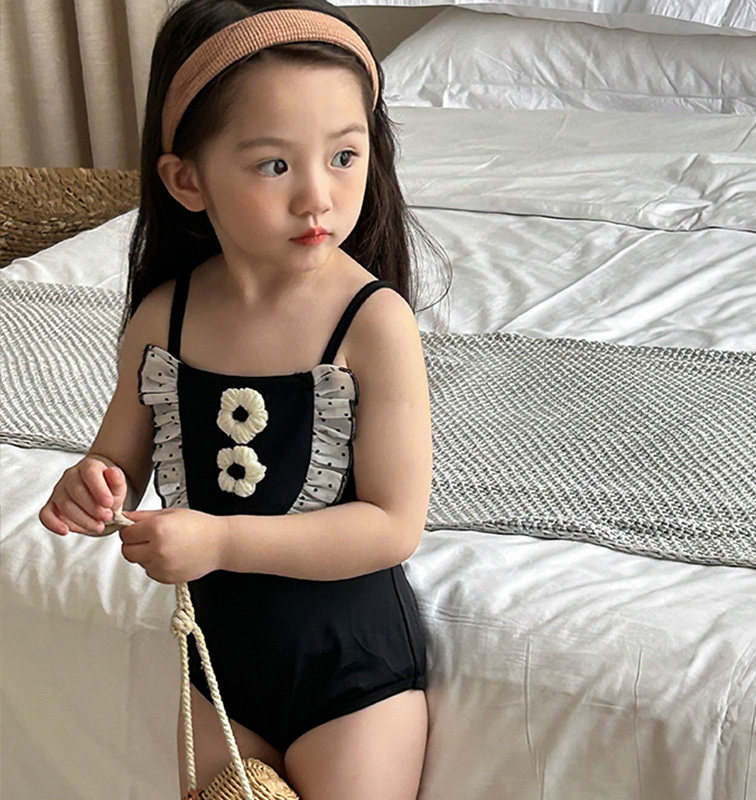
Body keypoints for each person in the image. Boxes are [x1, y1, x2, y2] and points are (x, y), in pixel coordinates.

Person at [38, 0, 451, 796]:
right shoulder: (164, 319)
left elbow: (393, 525)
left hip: (351, 670)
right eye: (274, 166)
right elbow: (115, 461)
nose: (318, 196)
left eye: (344, 156)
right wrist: (88, 485)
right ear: (187, 180)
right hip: (216, 664)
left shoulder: (374, 323)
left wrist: (222, 542)